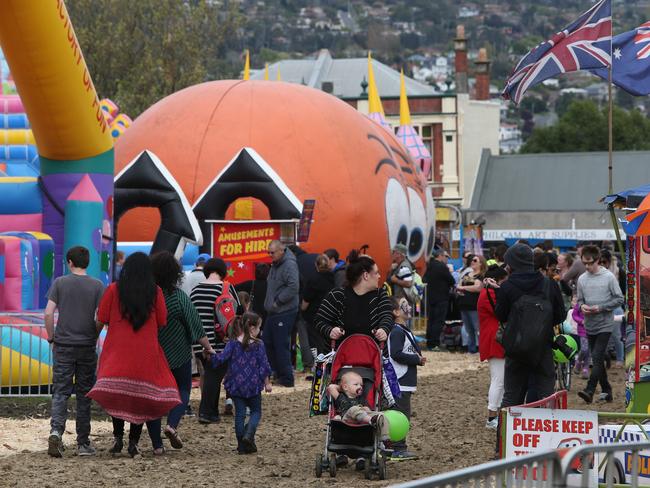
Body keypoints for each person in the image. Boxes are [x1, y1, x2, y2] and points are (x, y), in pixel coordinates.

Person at [87, 252, 181, 457]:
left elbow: (101, 318)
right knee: (140, 400)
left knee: (117, 396)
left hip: (116, 351)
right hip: (145, 353)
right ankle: (134, 443)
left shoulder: (113, 289)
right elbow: (162, 321)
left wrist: (91, 339)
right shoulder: (155, 292)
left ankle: (118, 438)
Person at [150, 251, 215, 450]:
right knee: (183, 389)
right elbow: (196, 326)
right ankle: (171, 425)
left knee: (153, 398)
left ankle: (157, 446)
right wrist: (208, 347)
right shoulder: (179, 298)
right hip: (179, 354)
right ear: (175, 274)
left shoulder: (148, 298)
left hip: (153, 356)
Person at [44, 246, 105, 458]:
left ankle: (56, 432)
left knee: (60, 392)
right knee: (84, 395)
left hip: (63, 346)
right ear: (87, 262)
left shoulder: (60, 283)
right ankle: (83, 443)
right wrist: (94, 334)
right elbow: (101, 317)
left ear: (69, 262)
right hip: (86, 346)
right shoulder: (98, 285)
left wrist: (52, 336)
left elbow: (48, 312)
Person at [495, 243, 566, 409]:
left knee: (512, 396)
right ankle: (548, 433)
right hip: (543, 347)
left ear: (511, 264)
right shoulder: (549, 285)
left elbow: (500, 316)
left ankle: (507, 434)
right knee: (546, 396)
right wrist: (540, 325)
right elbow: (560, 315)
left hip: (516, 348)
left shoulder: (507, 287)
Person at [209, 312, 272, 454]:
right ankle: (249, 434)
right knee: (256, 412)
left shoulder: (232, 343)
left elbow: (221, 359)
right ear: (251, 327)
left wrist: (211, 353)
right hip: (253, 384)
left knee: (240, 414)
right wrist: (267, 383)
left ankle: (241, 446)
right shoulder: (258, 344)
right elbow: (264, 366)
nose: (259, 331)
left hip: (236, 384)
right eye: (258, 327)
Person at [190, 257, 242, 423]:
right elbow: (237, 312)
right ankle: (206, 412)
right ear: (222, 271)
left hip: (199, 341)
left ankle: (211, 412)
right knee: (215, 376)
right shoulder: (226, 288)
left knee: (210, 373)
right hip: (220, 340)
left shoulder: (196, 290)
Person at [576, 245, 624, 403]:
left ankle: (589, 390)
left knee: (596, 357)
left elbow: (619, 298)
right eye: (585, 263)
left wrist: (601, 307)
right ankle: (607, 390)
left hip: (605, 324)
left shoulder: (608, 277)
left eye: (590, 263)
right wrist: (582, 307)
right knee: (598, 359)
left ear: (598, 260)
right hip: (589, 325)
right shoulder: (582, 279)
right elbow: (580, 300)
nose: (588, 266)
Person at [315, 250, 392, 345]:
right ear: (366, 275)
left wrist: (384, 329)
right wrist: (330, 331)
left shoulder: (380, 294)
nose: (379, 276)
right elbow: (319, 321)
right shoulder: (337, 295)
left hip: (373, 356)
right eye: (376, 273)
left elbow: (387, 316)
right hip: (341, 356)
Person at [388, 296, 425, 460]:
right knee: (401, 416)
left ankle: (395, 447)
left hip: (405, 381)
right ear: (395, 312)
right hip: (400, 381)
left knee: (403, 414)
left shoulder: (403, 330)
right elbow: (395, 354)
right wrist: (416, 359)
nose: (408, 307)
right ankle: (398, 448)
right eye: (404, 305)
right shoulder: (396, 331)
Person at [263, 240, 300, 388]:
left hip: (284, 311)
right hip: (274, 311)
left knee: (280, 344)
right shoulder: (276, 265)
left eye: (272, 252)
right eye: (268, 252)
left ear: (281, 251)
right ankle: (277, 373)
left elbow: (293, 286)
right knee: (268, 342)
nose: (269, 255)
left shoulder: (289, 265)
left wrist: (278, 302)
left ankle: (287, 378)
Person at [477, 265, 507, 431]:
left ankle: (495, 415)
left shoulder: (487, 293)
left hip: (493, 338)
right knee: (499, 380)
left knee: (499, 380)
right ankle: (491, 417)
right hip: (495, 339)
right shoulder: (489, 294)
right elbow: (503, 311)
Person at [326, 371, 389, 440]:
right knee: (353, 409)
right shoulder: (341, 397)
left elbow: (366, 410)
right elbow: (331, 387)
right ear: (345, 387)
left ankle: (384, 438)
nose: (360, 387)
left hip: (361, 419)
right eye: (356, 384)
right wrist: (343, 388)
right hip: (347, 419)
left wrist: (366, 409)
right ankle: (371, 421)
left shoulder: (361, 398)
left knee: (380, 415)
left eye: (361, 385)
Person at [301, 254, 336, 356]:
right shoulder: (333, 278)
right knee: (326, 341)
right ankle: (328, 364)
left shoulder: (313, 280)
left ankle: (317, 366)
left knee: (315, 343)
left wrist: (302, 309)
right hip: (329, 314)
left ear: (316, 265)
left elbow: (305, 303)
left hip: (314, 316)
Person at [422, 249, 455, 351]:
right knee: (438, 321)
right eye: (446, 257)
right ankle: (435, 343)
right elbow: (452, 280)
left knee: (431, 320)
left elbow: (424, 279)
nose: (446, 259)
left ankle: (429, 342)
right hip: (441, 297)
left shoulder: (430, 265)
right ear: (440, 256)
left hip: (431, 297)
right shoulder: (442, 267)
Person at [456, 255, 487, 354]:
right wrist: (461, 289)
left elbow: (478, 287)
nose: (472, 262)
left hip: (475, 306)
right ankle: (471, 348)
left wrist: (464, 288)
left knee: (477, 329)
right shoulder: (467, 274)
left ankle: (481, 349)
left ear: (481, 263)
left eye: (475, 260)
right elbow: (458, 285)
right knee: (469, 329)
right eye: (472, 260)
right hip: (464, 304)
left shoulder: (482, 275)